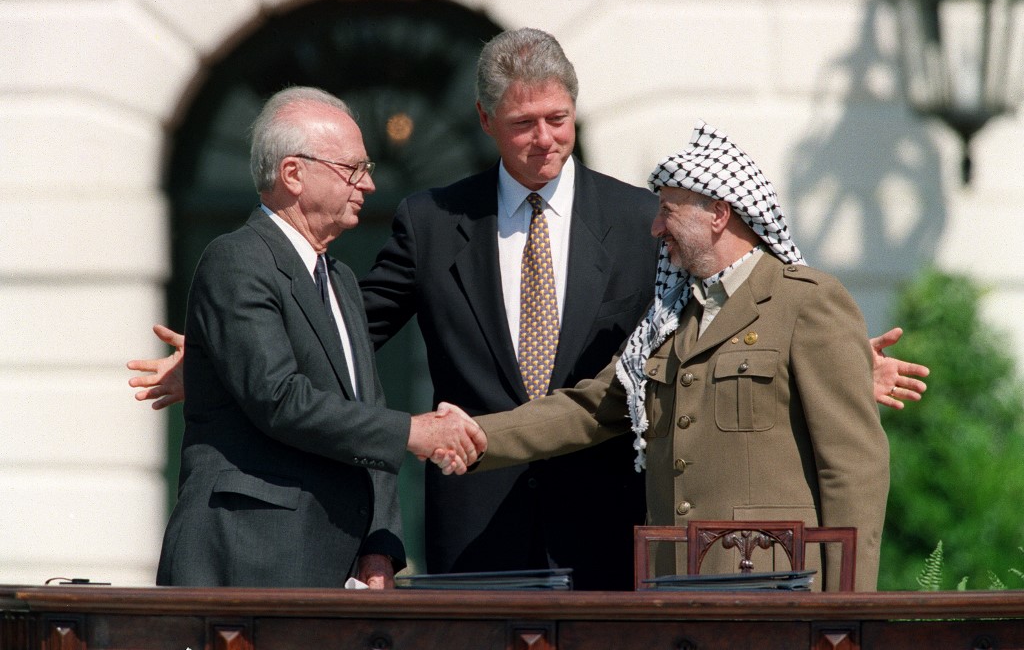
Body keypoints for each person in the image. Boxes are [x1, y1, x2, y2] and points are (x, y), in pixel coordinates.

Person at [130, 30, 928, 590]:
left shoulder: (632, 215)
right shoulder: (433, 219)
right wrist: (217, 360)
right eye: (523, 123)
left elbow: (733, 330)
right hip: (479, 531)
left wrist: (846, 363)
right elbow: (341, 335)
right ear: (486, 123)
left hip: (620, 533)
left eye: (559, 119)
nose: (545, 139)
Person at [446, 121, 892, 592]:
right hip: (672, 585)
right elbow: (590, 407)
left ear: (719, 214)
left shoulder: (806, 301)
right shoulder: (668, 318)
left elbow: (853, 465)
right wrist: (475, 436)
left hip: (773, 586)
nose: (656, 229)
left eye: (667, 212)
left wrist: (849, 607)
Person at [155, 86, 485, 589]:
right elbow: (280, 398)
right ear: (293, 174)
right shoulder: (237, 260)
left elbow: (364, 406)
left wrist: (380, 546)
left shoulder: (342, 280)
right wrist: (413, 432)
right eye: (353, 169)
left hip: (332, 570)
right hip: (249, 561)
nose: (369, 185)